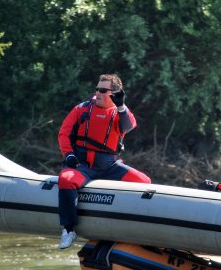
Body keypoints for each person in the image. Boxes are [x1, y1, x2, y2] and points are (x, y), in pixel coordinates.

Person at [56, 74, 151, 249]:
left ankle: (133, 228)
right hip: (83, 165)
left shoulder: (120, 112)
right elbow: (64, 133)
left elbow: (129, 126)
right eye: (97, 89)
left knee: (144, 182)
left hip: (110, 166)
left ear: (113, 94)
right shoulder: (81, 109)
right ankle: (68, 229)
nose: (97, 93)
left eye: (102, 90)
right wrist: (68, 155)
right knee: (66, 179)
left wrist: (121, 106)